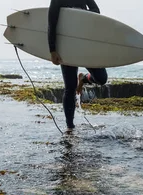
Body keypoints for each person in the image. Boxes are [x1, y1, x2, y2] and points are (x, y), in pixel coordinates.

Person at [48, 0, 108, 133]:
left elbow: (96, 11)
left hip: (84, 44)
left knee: (101, 78)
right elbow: (52, 23)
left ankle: (83, 79)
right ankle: (70, 127)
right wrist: (52, 50)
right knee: (70, 87)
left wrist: (80, 14)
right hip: (67, 46)